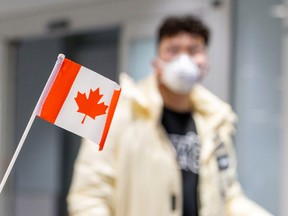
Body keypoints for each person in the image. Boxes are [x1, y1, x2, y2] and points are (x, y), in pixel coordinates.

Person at [67, 15, 272, 216]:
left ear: (205, 63)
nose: (183, 60)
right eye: (173, 50)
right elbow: (89, 197)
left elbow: (228, 197)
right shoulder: (118, 113)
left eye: (194, 51)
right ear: (156, 61)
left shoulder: (217, 122)